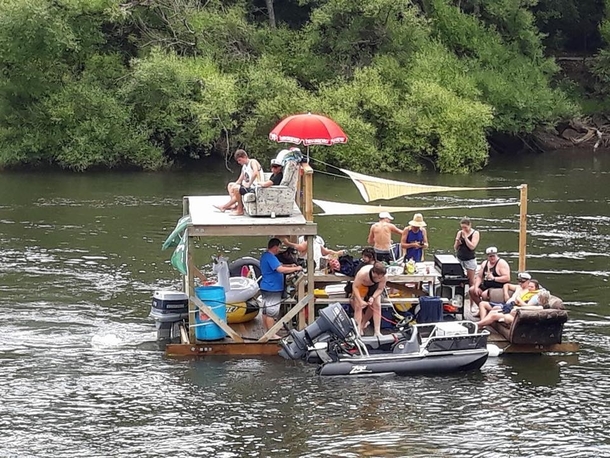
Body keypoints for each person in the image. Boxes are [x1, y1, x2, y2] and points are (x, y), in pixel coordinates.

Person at [259, 238, 303, 337]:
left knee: (266, 311)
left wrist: (290, 266)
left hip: (266, 286)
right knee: (271, 312)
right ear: (275, 247)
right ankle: (272, 334)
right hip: (272, 288)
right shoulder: (270, 257)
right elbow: (280, 269)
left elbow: (279, 265)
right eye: (279, 247)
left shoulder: (266, 256)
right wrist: (296, 268)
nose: (279, 250)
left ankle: (267, 332)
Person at [477, 280, 546, 328]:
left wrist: (518, 302)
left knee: (494, 314)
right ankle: (480, 325)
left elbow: (528, 306)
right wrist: (507, 295)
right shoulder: (524, 290)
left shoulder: (536, 298)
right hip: (512, 308)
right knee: (493, 311)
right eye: (529, 286)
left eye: (532, 287)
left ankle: (477, 325)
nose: (529, 288)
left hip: (517, 312)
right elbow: (506, 285)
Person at [214, 149, 262, 216]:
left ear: (245, 157)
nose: (239, 162)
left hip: (255, 187)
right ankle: (234, 205)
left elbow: (255, 173)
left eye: (240, 160)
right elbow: (240, 180)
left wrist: (249, 184)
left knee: (237, 188)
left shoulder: (253, 162)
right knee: (231, 185)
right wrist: (234, 185)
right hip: (247, 186)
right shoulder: (244, 167)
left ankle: (236, 209)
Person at [350, 262, 388, 337]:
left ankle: (376, 331)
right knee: (358, 306)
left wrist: (373, 297)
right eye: (377, 277)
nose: (379, 278)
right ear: (373, 272)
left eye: (381, 277)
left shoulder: (384, 276)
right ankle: (357, 330)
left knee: (377, 305)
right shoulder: (363, 273)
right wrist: (360, 301)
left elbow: (380, 289)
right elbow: (355, 287)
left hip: (375, 287)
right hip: (362, 285)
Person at [280, 235, 345, 271]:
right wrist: (287, 243)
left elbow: (326, 252)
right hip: (310, 268)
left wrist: (337, 253)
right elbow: (300, 247)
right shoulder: (306, 242)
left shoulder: (316, 242)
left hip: (317, 267)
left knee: (331, 257)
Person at [453, 217, 480, 287]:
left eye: (465, 227)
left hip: (470, 259)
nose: (464, 229)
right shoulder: (459, 233)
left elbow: (472, 246)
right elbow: (455, 248)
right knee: (459, 280)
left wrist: (465, 238)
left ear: (470, 225)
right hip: (460, 258)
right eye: (462, 227)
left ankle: (472, 296)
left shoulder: (475, 233)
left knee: (471, 281)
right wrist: (458, 242)